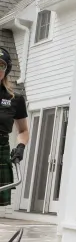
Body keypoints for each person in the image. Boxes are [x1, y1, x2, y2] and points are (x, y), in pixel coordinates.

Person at [0, 49, 28, 207]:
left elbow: (23, 131)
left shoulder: (15, 99)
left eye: (1, 65)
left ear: (6, 70)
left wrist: (20, 147)